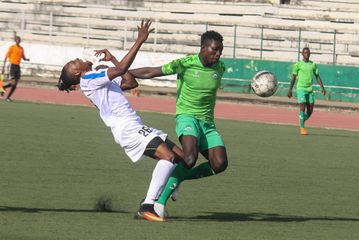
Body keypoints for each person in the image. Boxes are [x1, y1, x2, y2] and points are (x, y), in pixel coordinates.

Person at [57, 19, 184, 222]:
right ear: (77, 73)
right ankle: (148, 205)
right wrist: (140, 40)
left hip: (135, 126)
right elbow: (123, 69)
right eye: (74, 63)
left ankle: (165, 192)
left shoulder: (97, 76)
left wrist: (113, 58)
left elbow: (130, 81)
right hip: (127, 129)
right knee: (168, 157)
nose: (77, 58)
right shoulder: (88, 79)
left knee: (182, 158)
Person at [130, 30, 228, 218]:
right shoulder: (186, 63)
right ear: (203, 48)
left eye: (220, 51)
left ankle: (176, 178)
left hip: (207, 123)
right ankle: (159, 203)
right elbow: (152, 71)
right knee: (189, 159)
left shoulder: (220, 68)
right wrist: (122, 73)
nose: (218, 54)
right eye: (215, 50)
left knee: (219, 164)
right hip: (187, 118)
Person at [288, 47, 326, 135]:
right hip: (301, 88)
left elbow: (317, 76)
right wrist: (290, 90)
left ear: (310, 54)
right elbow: (293, 77)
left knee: (310, 109)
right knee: (302, 106)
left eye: (308, 53)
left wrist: (322, 88)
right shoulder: (298, 64)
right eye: (304, 52)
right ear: (302, 54)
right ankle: (302, 128)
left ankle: (302, 118)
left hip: (310, 89)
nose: (306, 54)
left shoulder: (313, 64)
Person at [1, 36, 30, 101]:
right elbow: (6, 56)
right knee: (13, 82)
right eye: (17, 40)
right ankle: (3, 88)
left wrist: (26, 59)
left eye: (19, 40)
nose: (18, 41)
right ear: (15, 40)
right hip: (12, 65)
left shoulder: (21, 48)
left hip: (17, 66)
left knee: (15, 84)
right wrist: (3, 66)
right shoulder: (12, 47)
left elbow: (23, 57)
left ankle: (8, 97)